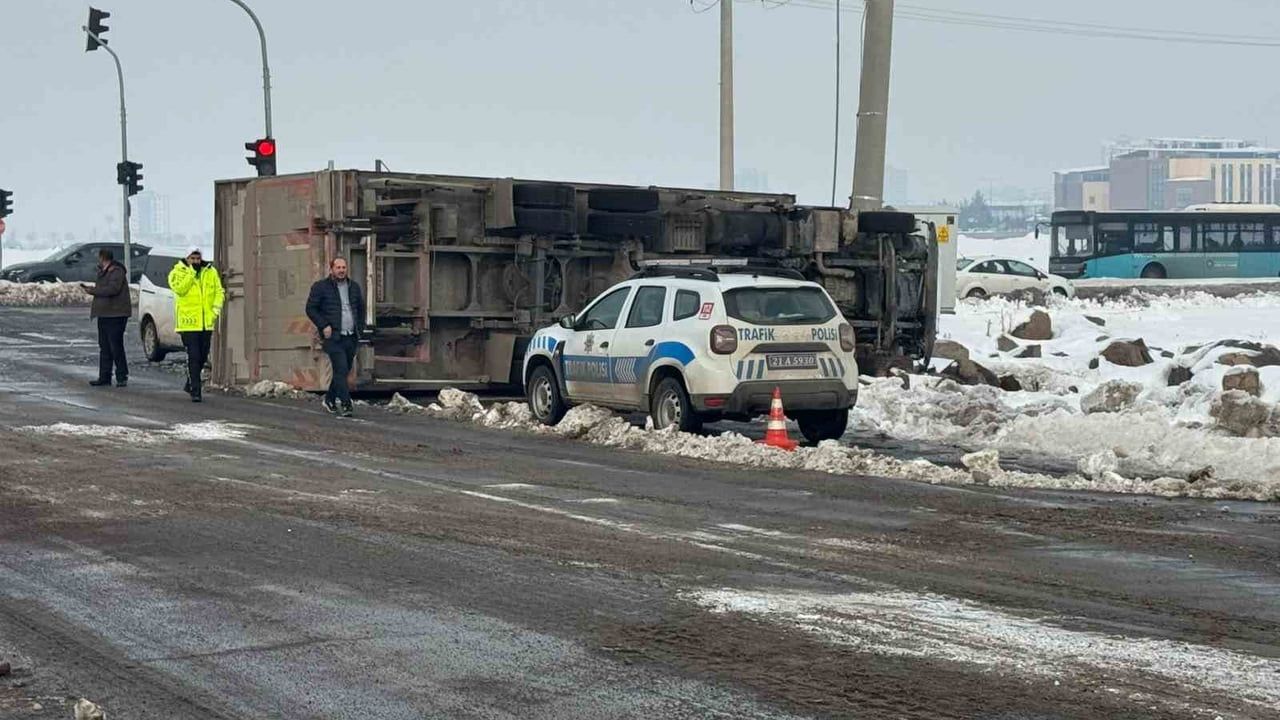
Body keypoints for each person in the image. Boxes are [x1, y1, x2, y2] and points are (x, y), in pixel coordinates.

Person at [305, 257, 365, 417]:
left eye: (344, 267)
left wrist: (361, 327)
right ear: (331, 269)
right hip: (333, 337)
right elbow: (311, 308)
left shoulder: (354, 287)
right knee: (340, 368)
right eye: (338, 267)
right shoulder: (321, 287)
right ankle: (346, 404)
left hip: (351, 336)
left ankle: (330, 399)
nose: (341, 270)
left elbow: (360, 308)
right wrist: (324, 325)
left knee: (343, 371)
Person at [168, 247, 225, 403]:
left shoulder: (210, 271)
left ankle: (190, 382)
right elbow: (180, 289)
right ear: (187, 259)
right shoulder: (177, 272)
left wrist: (215, 310)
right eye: (192, 259)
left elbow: (219, 291)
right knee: (193, 356)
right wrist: (191, 273)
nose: (195, 262)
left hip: (206, 323)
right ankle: (196, 390)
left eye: (197, 259)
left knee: (202, 356)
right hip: (188, 323)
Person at [82, 248, 131, 387]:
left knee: (116, 346)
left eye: (99, 257)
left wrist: (93, 291)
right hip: (104, 314)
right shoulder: (103, 271)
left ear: (103, 257)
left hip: (116, 314)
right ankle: (105, 376)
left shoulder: (116, 271)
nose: (98, 260)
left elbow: (113, 289)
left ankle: (122, 376)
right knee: (104, 346)